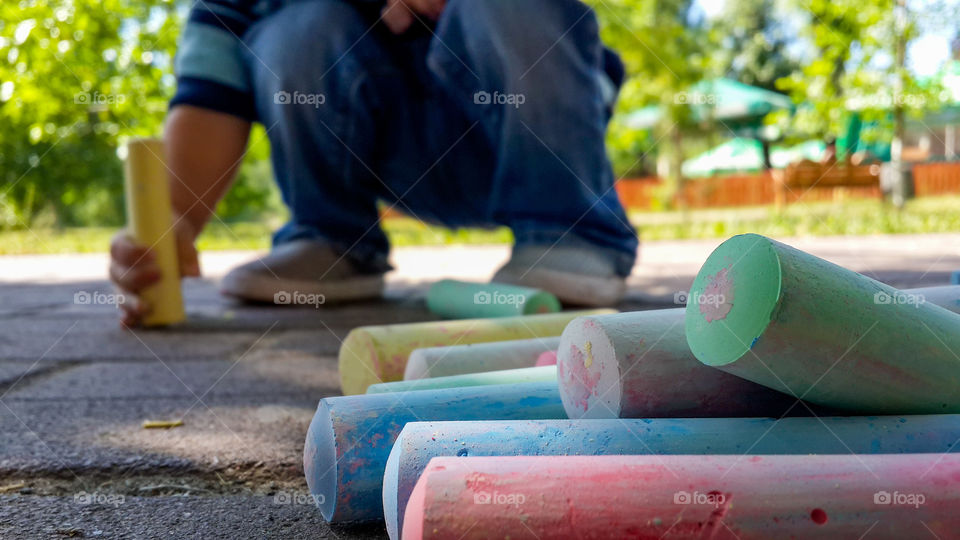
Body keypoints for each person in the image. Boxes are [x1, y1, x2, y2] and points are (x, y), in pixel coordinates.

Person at [109, 0, 639, 326]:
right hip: (383, 155)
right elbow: (210, 95)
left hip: (521, 132)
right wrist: (174, 219)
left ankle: (568, 230)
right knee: (295, 29)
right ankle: (332, 239)